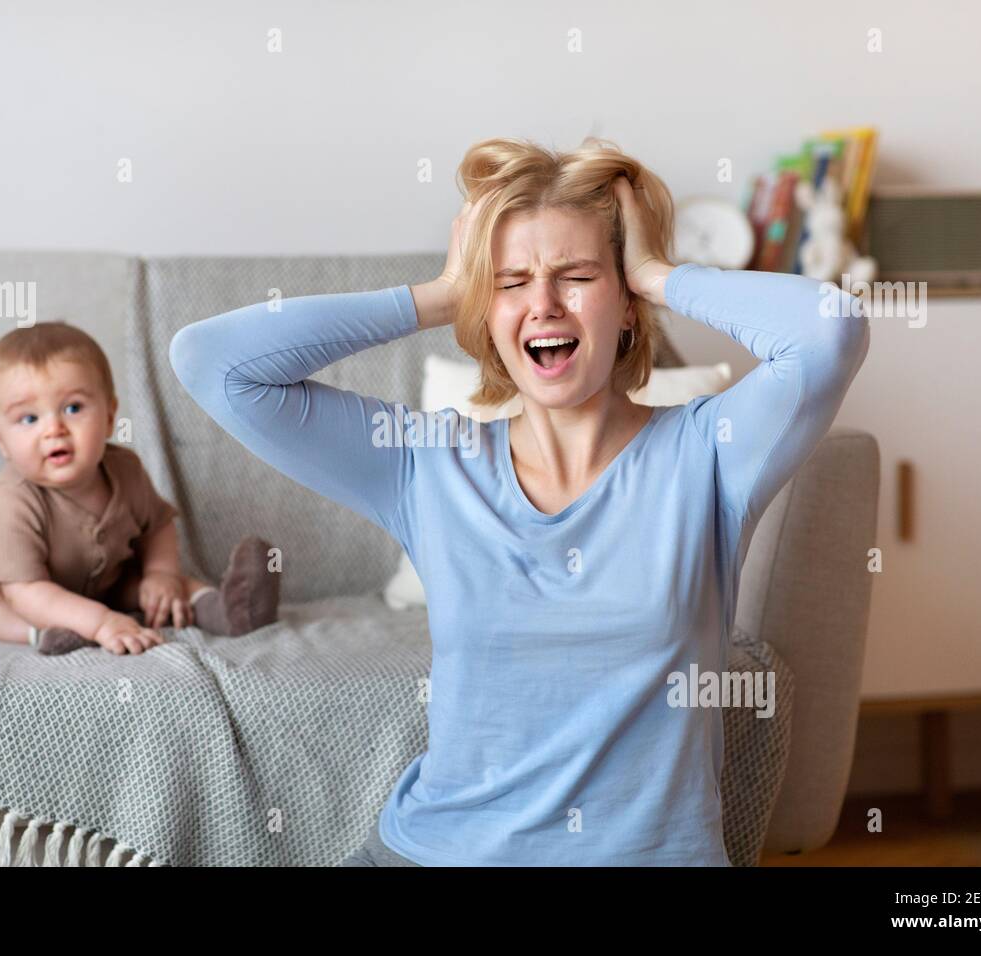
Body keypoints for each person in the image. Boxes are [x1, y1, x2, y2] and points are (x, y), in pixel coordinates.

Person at [169, 136, 870, 865]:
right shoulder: (427, 466)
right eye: (511, 282)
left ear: (627, 306)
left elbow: (829, 330)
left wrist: (659, 273)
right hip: (435, 851)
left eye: (576, 275)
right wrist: (444, 293)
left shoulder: (710, 454)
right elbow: (211, 364)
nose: (542, 304)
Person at [0, 321, 280, 655]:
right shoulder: (9, 502)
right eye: (29, 419)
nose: (53, 429)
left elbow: (157, 525)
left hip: (105, 583)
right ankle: (43, 632)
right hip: (14, 592)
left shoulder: (125, 470)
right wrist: (100, 623)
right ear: (0, 439)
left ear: (109, 416)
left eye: (73, 408)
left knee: (167, 586)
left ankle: (229, 610)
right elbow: (25, 592)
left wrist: (160, 575)